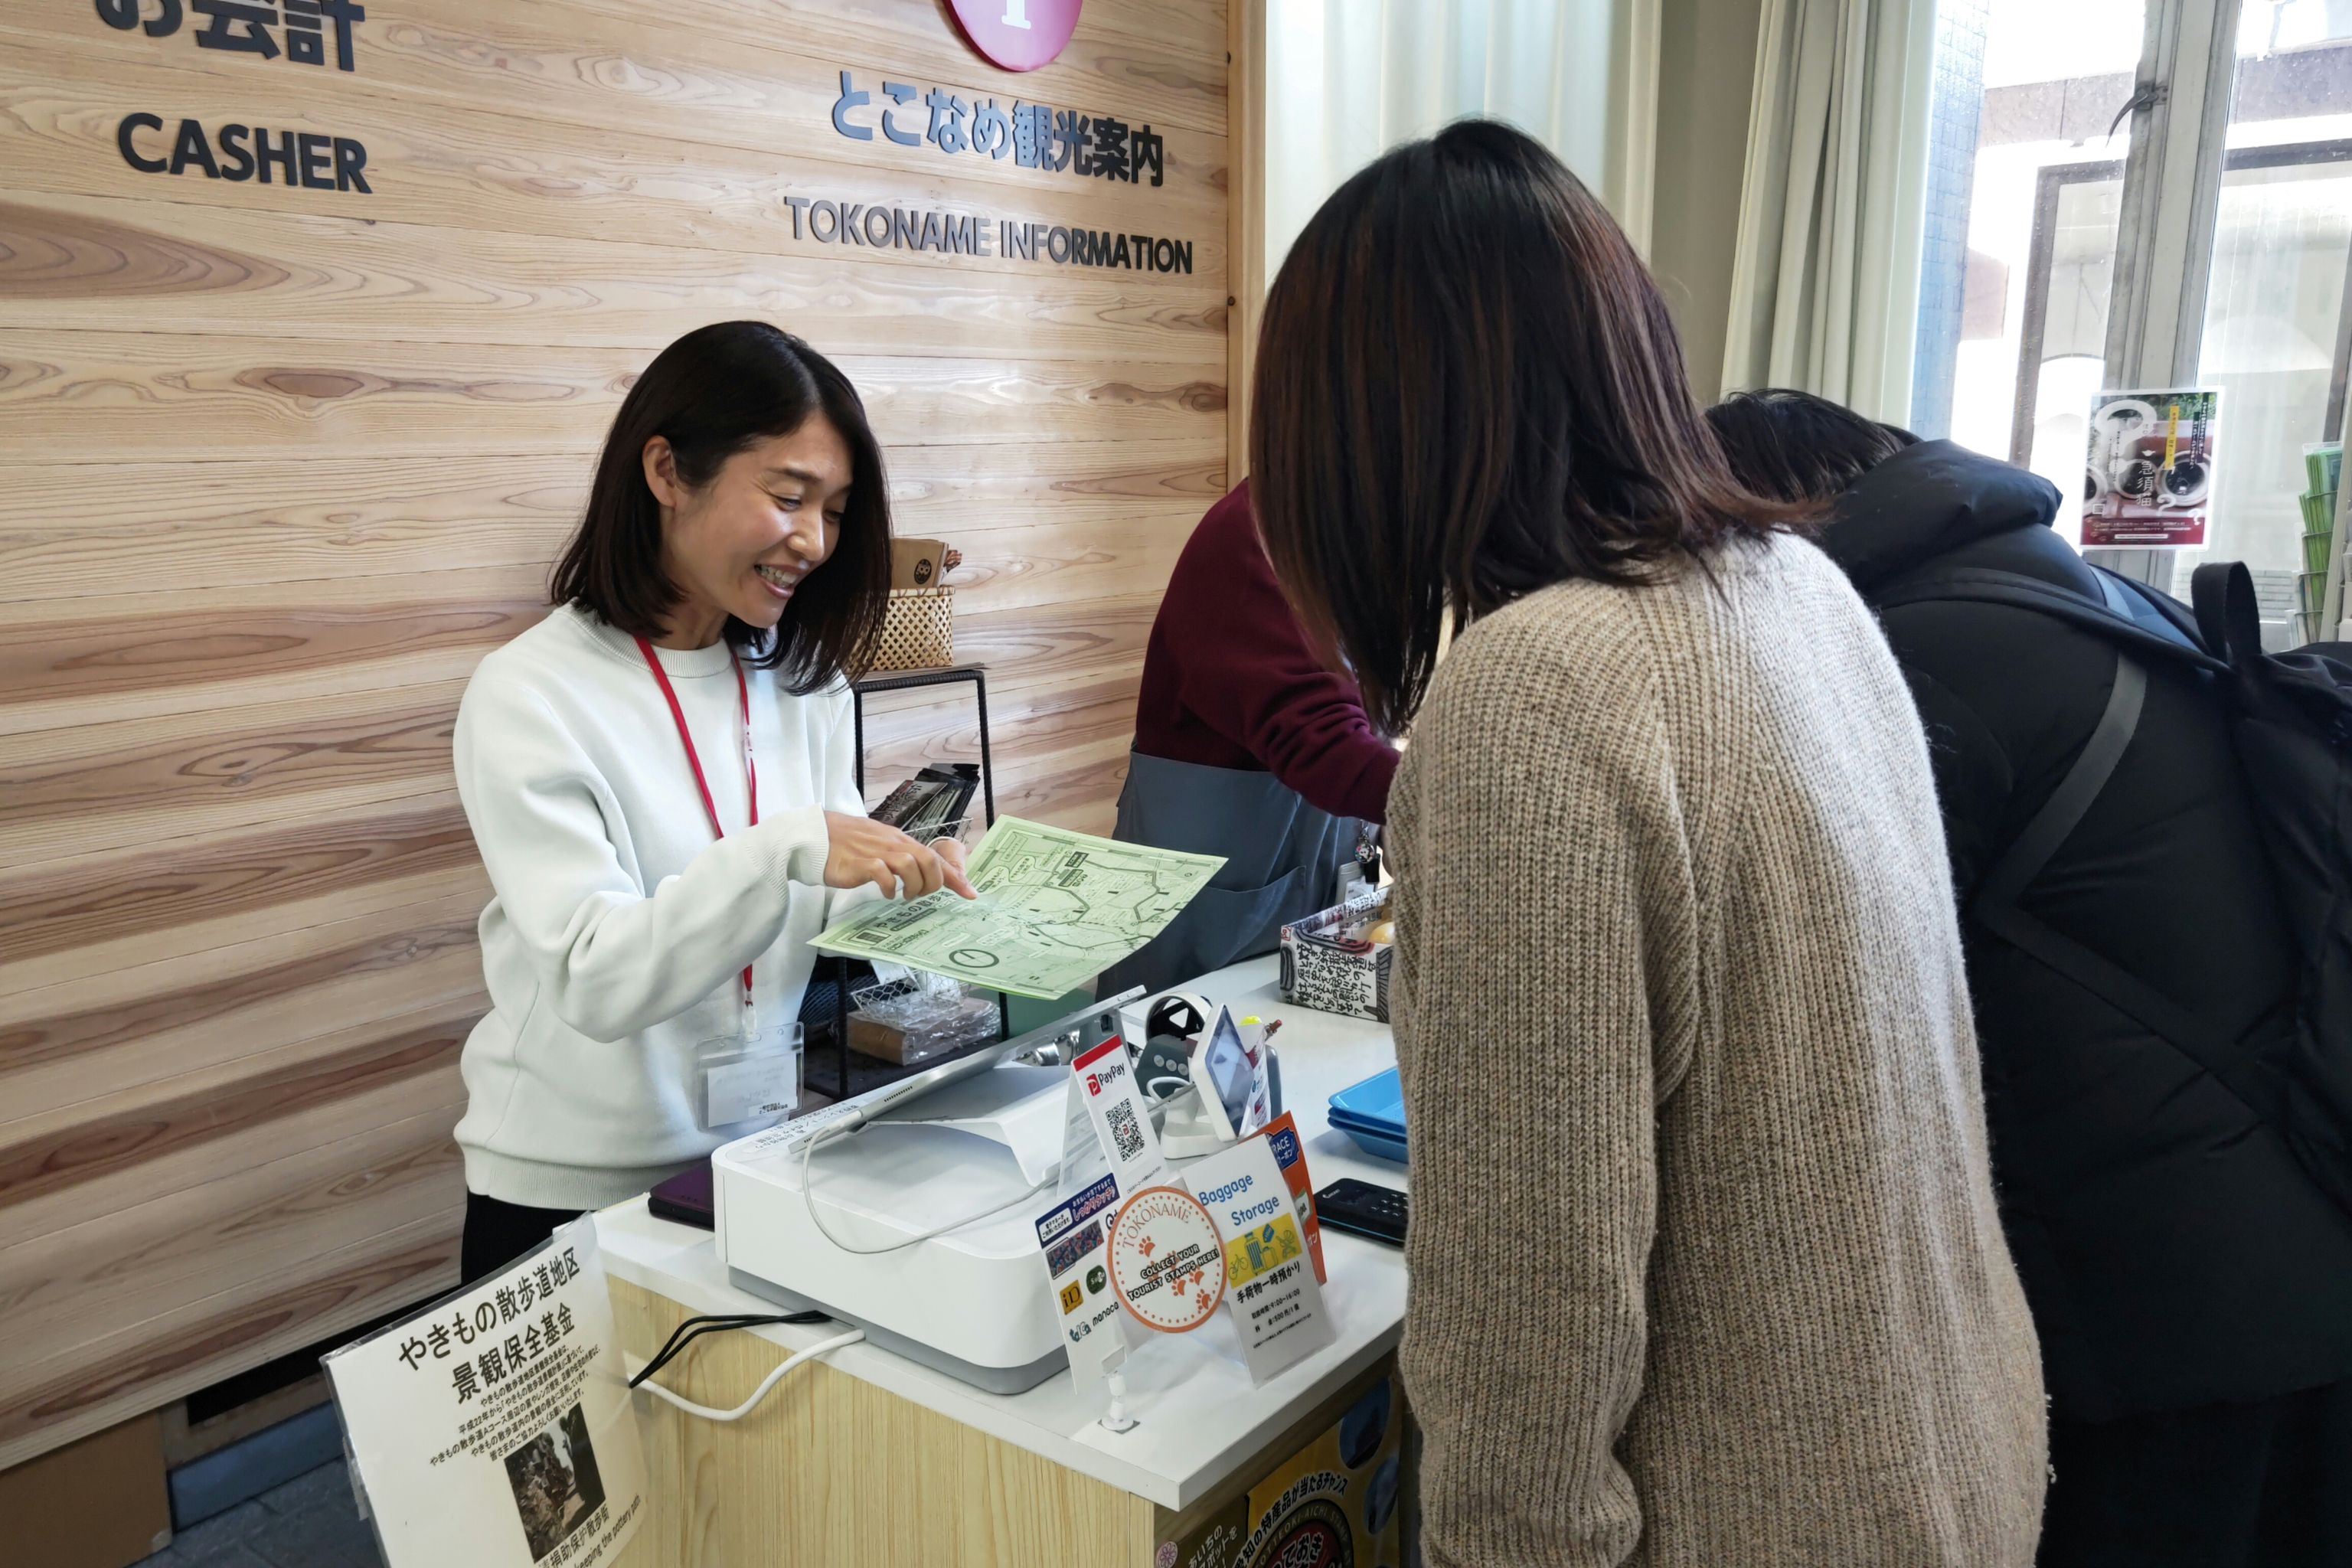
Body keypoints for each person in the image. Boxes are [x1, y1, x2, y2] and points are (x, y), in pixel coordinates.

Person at [1248, 120, 2047, 1566]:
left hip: (1768, 1508)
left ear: (1360, 433)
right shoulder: (1802, 586)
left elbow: (1529, 1302)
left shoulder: (1534, 688)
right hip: (1957, 1447)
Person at [1707, 387, 2352, 1565]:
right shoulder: (2076, 593)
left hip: (2173, 1315)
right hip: (2282, 1246)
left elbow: (1813, 1003)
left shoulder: (1917, 660)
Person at [451, 322, 975, 1283]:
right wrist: (790, 847)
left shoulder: (803, 682)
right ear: (665, 471)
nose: (814, 542)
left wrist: (918, 881)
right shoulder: (529, 692)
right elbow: (595, 977)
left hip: (754, 1156)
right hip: (567, 1191)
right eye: (787, 497)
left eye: (837, 509)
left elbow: (815, 900)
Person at [1098, 479, 1399, 996]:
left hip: (1316, 891)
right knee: (1175, 1059)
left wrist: (1381, 848)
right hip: (1207, 920)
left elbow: (1358, 725)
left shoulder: (1357, 538)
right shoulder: (1252, 538)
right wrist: (1439, 804)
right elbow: (1320, 742)